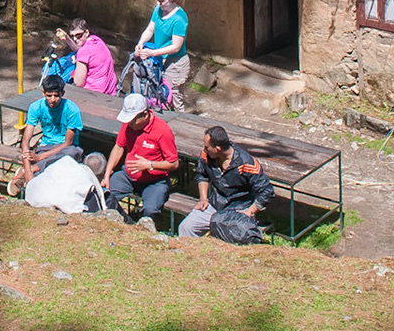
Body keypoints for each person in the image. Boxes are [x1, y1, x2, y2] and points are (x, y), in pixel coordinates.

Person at [177, 125, 272, 242]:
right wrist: (203, 198)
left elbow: (266, 191)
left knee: (230, 238)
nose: (204, 149)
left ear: (217, 149)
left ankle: (255, 227)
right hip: (214, 204)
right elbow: (202, 174)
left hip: (238, 209)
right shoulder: (207, 155)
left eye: (207, 147)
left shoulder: (246, 164)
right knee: (186, 227)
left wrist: (249, 212)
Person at [100, 92, 178, 226]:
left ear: (145, 114)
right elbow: (119, 147)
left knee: (149, 210)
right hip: (128, 176)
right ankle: (124, 222)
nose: (130, 124)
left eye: (134, 120)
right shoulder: (128, 125)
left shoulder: (162, 130)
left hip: (155, 181)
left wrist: (149, 165)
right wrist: (107, 173)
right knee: (104, 195)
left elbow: (174, 163)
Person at [15, 74, 84, 193]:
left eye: (56, 96)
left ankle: (34, 169)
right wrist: (27, 170)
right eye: (49, 95)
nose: (52, 99)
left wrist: (39, 158)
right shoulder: (36, 107)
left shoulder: (72, 110)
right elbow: (26, 141)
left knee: (74, 152)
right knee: (48, 170)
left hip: (65, 149)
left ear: (62, 93)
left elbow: (68, 143)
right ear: (43, 93)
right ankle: (30, 174)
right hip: (46, 147)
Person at [129, 0, 189, 105]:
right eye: (158, 0)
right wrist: (141, 42)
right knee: (159, 94)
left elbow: (176, 47)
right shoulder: (158, 10)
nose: (159, 4)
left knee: (174, 99)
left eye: (162, 1)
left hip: (175, 62)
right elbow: (150, 29)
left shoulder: (179, 19)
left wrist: (152, 53)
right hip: (159, 58)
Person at [67, 18, 117, 95]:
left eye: (78, 35)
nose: (75, 39)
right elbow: (81, 49)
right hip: (110, 92)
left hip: (92, 94)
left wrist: (77, 62)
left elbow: (78, 83)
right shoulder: (97, 40)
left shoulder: (84, 52)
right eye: (72, 36)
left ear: (86, 32)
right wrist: (67, 39)